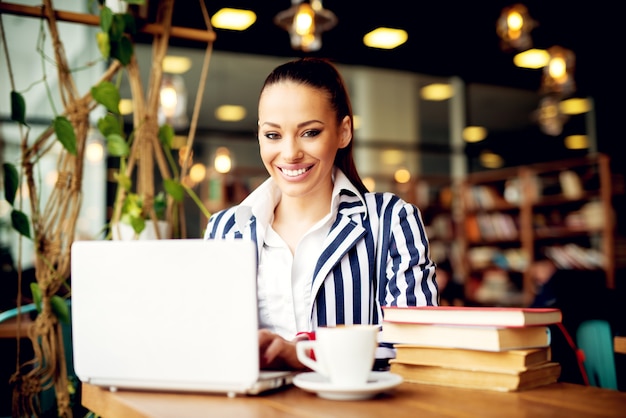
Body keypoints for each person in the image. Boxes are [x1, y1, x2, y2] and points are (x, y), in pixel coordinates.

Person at [204, 57, 438, 370]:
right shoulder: (225, 229)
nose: (289, 153)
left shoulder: (389, 220)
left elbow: (418, 344)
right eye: (273, 135)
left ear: (343, 132)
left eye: (310, 132)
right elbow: (210, 341)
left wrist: (302, 355)